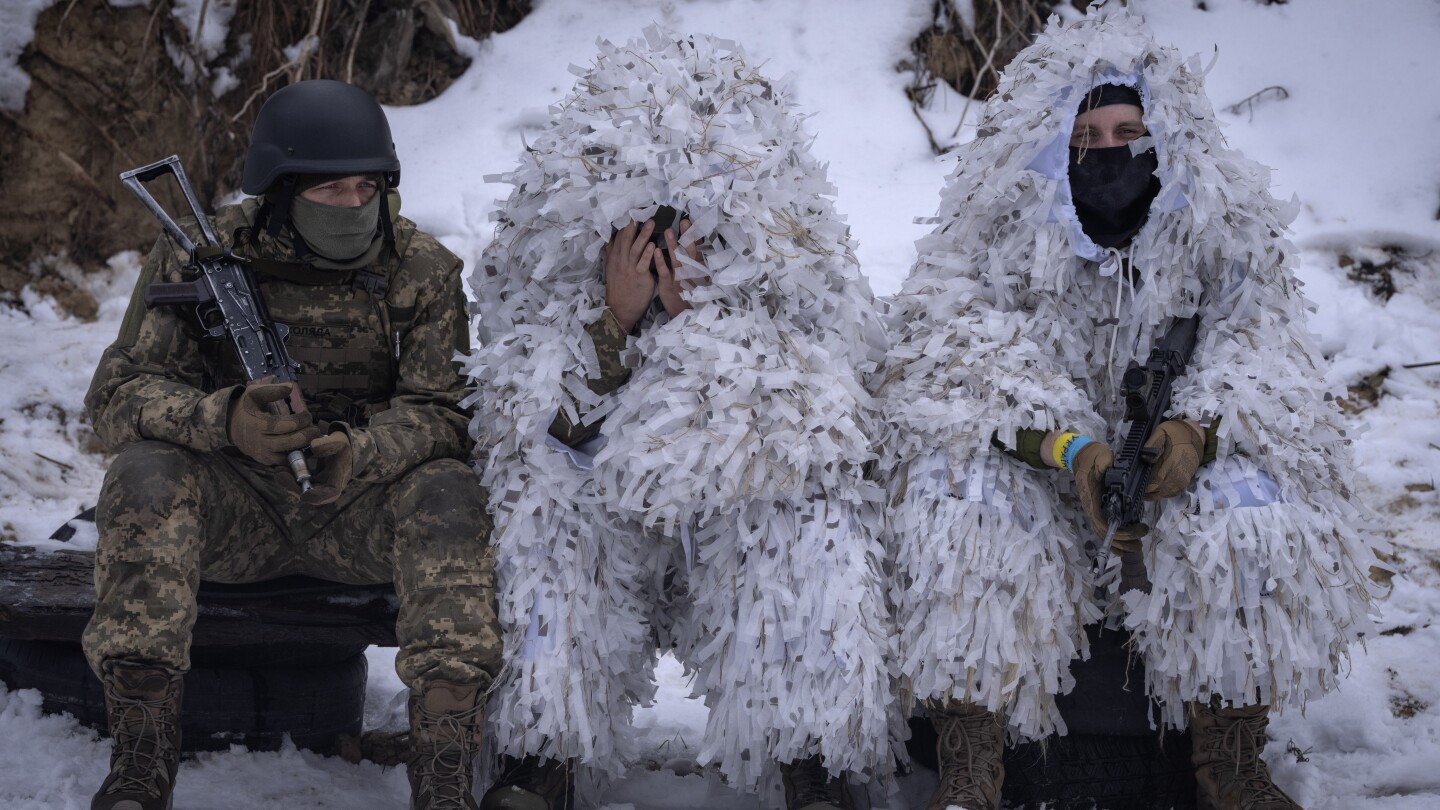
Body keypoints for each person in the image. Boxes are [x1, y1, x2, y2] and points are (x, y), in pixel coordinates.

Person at [875, 8, 1382, 810]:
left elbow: (1268, 357)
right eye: (1086, 137)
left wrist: (1194, 438)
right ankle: (973, 764)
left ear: (1166, 139)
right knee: (956, 505)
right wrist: (1064, 449)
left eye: (1129, 132)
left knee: (1253, 510)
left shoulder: (1220, 237)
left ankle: (1231, 760)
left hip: (1170, 501)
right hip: (1044, 500)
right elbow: (946, 361)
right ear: (1049, 144)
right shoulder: (992, 237)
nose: (1109, 153)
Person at [462, 29, 898, 810]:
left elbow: (823, 416)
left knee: (806, 511)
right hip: (609, 527)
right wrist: (613, 323)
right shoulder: (554, 280)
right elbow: (527, 418)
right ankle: (544, 753)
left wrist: (705, 321)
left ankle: (812, 761)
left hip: (728, 534)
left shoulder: (799, 281)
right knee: (543, 508)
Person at [83, 79, 500, 810]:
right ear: (279, 191)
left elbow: (445, 414)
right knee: (144, 472)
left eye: (366, 186)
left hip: (357, 512)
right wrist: (225, 420)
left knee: (449, 490)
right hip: (232, 514)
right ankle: (140, 766)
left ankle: (444, 776)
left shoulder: (421, 270)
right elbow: (115, 403)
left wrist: (359, 452)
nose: (353, 204)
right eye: (330, 188)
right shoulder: (203, 258)